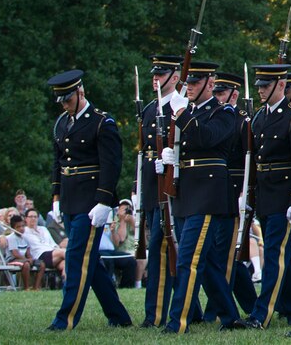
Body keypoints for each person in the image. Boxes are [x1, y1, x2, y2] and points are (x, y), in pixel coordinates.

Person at [161, 61, 247, 333]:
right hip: (186, 191)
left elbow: (207, 138)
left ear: (209, 85)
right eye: (187, 83)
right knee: (207, 262)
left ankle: (178, 322)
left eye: (195, 83)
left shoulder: (223, 114)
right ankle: (230, 316)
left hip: (208, 194)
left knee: (189, 259)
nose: (188, 89)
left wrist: (182, 116)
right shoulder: (186, 113)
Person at [45, 69, 132, 330]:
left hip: (91, 202)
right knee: (89, 262)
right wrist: (56, 197)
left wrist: (105, 202)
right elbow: (58, 162)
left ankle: (65, 320)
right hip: (71, 199)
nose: (64, 104)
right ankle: (118, 316)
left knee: (76, 260)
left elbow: (111, 165)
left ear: (81, 92)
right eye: (60, 100)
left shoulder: (101, 122)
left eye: (68, 99)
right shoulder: (62, 122)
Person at [242, 63, 291, 330]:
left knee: (274, 254)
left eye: (266, 86)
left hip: (285, 197)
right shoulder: (260, 117)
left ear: (281, 85)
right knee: (285, 256)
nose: (260, 90)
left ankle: (262, 314)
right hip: (265, 195)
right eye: (259, 86)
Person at [203, 71, 256, 321]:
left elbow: (251, 160)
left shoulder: (243, 121)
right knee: (219, 254)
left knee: (225, 255)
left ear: (234, 94)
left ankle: (216, 310)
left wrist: (247, 193)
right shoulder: (214, 116)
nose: (216, 97)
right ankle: (250, 304)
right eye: (215, 92)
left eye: (221, 93)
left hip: (236, 192)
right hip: (216, 192)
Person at [138, 53, 183, 327]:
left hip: (172, 193)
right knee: (158, 251)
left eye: (161, 74)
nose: (155, 78)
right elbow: (143, 154)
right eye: (154, 73)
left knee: (163, 250)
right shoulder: (149, 110)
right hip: (153, 193)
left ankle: (156, 315)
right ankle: (154, 314)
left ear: (175, 77)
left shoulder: (180, 108)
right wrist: (139, 192)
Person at [22, 208, 65, 288]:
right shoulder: (24, 231)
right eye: (31, 217)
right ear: (26, 218)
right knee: (65, 252)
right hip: (40, 255)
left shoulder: (43, 229)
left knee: (65, 264)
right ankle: (82, 266)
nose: (33, 219)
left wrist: (57, 249)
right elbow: (11, 234)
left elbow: (53, 243)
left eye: (35, 217)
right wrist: (2, 237)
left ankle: (66, 285)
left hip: (53, 253)